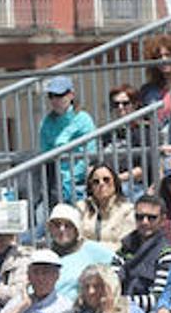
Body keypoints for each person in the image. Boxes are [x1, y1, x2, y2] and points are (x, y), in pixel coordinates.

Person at [39, 75, 97, 203]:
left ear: (71, 95)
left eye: (59, 95)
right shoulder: (46, 122)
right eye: (51, 96)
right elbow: (45, 154)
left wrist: (70, 178)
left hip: (79, 184)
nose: (55, 100)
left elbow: (90, 154)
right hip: (54, 184)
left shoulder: (83, 119)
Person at [117, 194, 171, 307]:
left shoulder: (167, 254)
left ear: (163, 220)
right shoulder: (125, 247)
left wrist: (122, 303)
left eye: (152, 217)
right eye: (140, 217)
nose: (145, 222)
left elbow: (159, 298)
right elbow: (112, 280)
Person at [77, 162, 135, 250]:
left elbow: (124, 244)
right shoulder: (81, 208)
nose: (101, 184)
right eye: (96, 182)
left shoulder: (128, 210)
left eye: (106, 180)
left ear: (115, 183)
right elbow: (76, 240)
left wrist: (98, 250)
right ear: (91, 187)